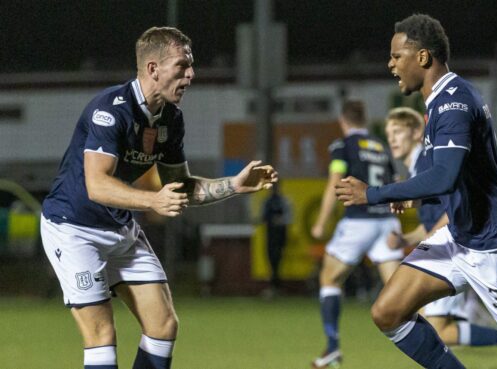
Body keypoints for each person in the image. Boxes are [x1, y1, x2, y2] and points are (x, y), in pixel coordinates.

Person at [334, 13, 497, 369]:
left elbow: (445, 176)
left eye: (396, 56)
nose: (390, 64)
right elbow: (459, 175)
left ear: (422, 57)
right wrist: (416, 195)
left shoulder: (453, 103)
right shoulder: (440, 101)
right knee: (388, 312)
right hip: (461, 235)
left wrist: (373, 194)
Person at [40, 27, 277, 369]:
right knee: (102, 337)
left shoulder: (170, 119)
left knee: (163, 325)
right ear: (153, 69)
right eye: (182, 66)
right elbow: (97, 185)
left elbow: (179, 186)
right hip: (74, 229)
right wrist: (152, 201)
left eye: (191, 66)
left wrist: (235, 184)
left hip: (119, 228)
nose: (191, 74)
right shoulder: (111, 110)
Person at [384, 107, 497, 350]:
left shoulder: (426, 163)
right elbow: (434, 221)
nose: (392, 138)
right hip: (454, 246)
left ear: (416, 132)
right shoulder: (418, 168)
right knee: (426, 321)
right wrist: (405, 239)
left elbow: (455, 208)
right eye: (389, 133)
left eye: (398, 131)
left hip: (456, 248)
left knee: (429, 326)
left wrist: (427, 243)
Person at [310, 99, 403, 368]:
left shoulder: (343, 146)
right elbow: (396, 183)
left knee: (329, 278)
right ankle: (437, 335)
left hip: (358, 221)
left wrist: (321, 222)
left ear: (343, 121)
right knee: (400, 290)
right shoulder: (380, 147)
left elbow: (335, 183)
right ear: (364, 119)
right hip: (386, 221)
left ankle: (332, 346)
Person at [261, 181, 292, 297]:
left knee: (279, 259)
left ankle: (277, 287)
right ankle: (273, 286)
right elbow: (263, 217)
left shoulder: (283, 201)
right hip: (270, 234)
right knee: (271, 260)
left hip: (280, 234)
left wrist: (279, 221)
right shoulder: (267, 201)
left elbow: (289, 217)